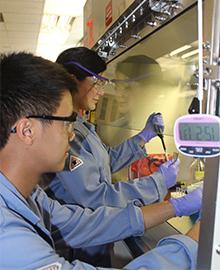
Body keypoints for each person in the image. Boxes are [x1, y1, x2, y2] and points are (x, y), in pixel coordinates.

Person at [0, 51, 202, 270]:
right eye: (66, 123)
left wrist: (174, 207)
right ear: (27, 130)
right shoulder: (8, 236)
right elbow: (94, 199)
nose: (72, 134)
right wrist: (190, 243)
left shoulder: (29, 194)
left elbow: (84, 223)